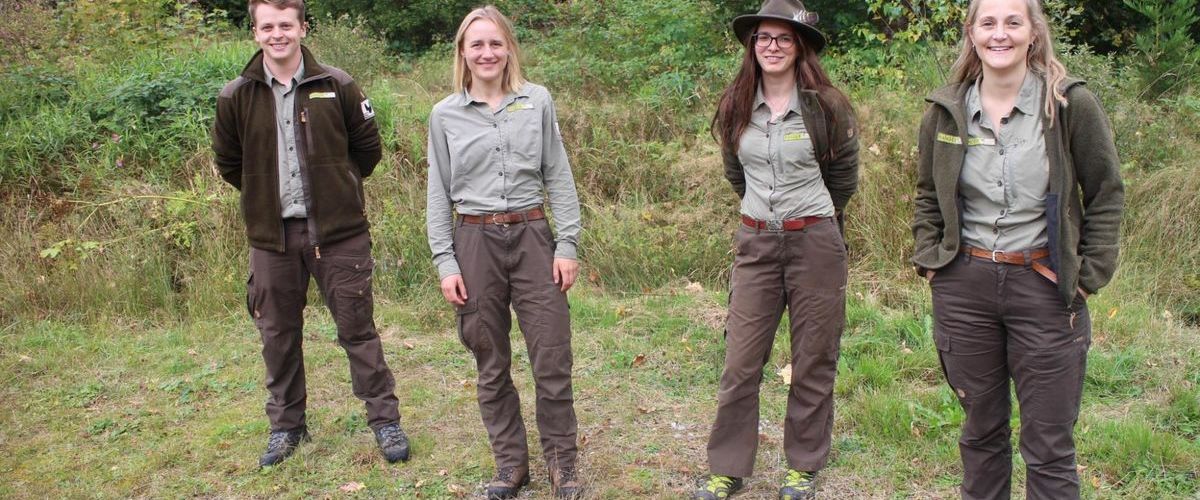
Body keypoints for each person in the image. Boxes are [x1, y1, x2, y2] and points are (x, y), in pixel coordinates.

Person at [911, 0, 1124, 497]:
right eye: (988, 23)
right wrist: (932, 261)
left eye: (1013, 22)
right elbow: (927, 193)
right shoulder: (947, 110)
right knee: (981, 434)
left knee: (1049, 444)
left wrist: (1087, 275)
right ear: (972, 33)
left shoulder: (1068, 105)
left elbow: (1106, 191)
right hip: (965, 288)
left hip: (1045, 288)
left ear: (1033, 33)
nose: (999, 34)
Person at [211, 0, 409, 468]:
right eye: (267, 26)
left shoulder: (336, 85)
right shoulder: (235, 95)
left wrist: (333, 189)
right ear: (255, 33)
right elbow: (229, 163)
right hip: (271, 239)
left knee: (358, 330)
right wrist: (265, 194)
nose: (277, 34)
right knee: (277, 336)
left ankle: (384, 420)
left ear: (301, 27)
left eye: (286, 24)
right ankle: (286, 427)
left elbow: (367, 151)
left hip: (339, 235)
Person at [692, 1, 859, 498]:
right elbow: (734, 173)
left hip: (816, 242)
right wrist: (764, 215)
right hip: (757, 242)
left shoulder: (827, 105)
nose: (772, 46)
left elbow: (843, 178)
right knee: (741, 361)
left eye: (783, 38)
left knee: (813, 356)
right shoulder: (736, 103)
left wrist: (809, 217)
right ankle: (727, 467)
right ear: (752, 46)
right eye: (763, 38)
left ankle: (803, 464)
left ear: (800, 46)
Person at [425, 6, 584, 499]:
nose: (487, 52)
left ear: (509, 48)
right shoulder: (445, 114)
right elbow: (438, 191)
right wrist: (445, 261)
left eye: (496, 43)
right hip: (474, 242)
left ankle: (563, 465)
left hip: (534, 237)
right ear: (463, 53)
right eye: (477, 45)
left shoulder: (536, 102)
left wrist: (568, 243)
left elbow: (557, 174)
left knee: (551, 356)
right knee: (489, 359)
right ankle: (510, 465)